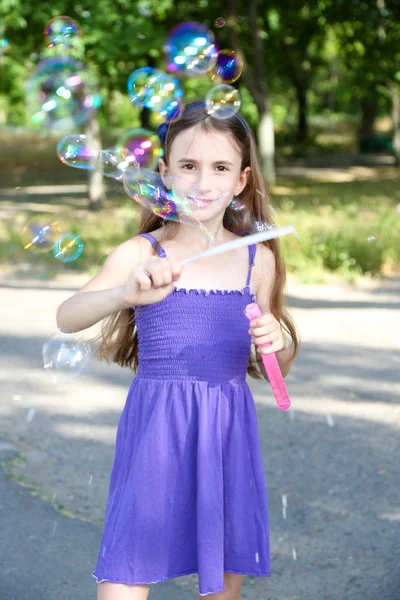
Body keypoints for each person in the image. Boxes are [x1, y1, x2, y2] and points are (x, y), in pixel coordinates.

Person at [56, 101, 300, 600]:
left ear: (241, 180)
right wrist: (122, 295)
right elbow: (68, 315)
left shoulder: (258, 259)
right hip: (157, 429)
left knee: (221, 579)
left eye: (220, 168)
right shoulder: (144, 252)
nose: (203, 182)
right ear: (164, 174)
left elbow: (273, 360)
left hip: (226, 429)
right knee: (127, 565)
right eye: (188, 166)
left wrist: (277, 340)